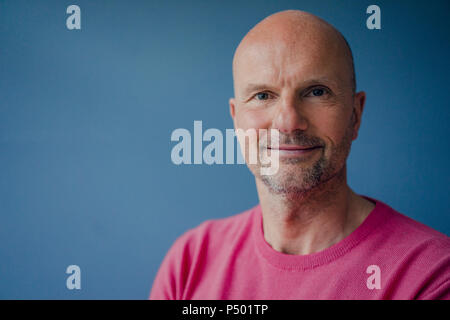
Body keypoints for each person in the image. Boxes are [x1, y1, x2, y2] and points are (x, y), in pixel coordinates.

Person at [150, 10, 450, 299]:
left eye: (317, 92)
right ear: (235, 119)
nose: (288, 121)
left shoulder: (432, 275)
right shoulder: (190, 263)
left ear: (355, 115)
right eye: (263, 96)